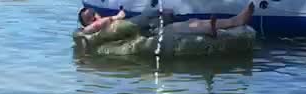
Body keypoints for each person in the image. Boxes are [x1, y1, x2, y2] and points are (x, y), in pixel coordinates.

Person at [77, 2, 255, 37]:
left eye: (94, 13)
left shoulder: (109, 25)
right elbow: (88, 30)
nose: (95, 17)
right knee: (189, 27)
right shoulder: (94, 31)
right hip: (151, 33)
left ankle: (234, 21)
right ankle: (227, 24)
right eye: (90, 18)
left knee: (190, 23)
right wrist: (115, 17)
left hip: (152, 29)